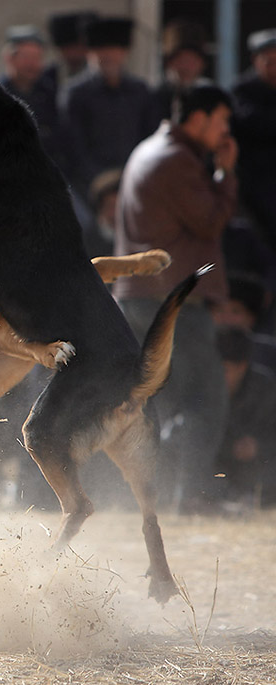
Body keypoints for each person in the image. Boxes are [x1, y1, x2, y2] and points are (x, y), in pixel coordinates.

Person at [113, 84, 239, 513]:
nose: (225, 131)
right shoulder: (177, 160)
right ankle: (191, 496)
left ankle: (166, 496)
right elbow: (209, 222)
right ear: (198, 118)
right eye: (221, 120)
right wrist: (225, 174)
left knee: (169, 402)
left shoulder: (149, 150)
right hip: (170, 300)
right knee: (204, 398)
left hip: (145, 298)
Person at [60, 16, 159, 201]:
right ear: (90, 53)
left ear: (124, 52)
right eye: (101, 50)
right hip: (88, 187)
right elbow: (74, 147)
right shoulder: (75, 93)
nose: (108, 56)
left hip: (136, 180)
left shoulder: (140, 91)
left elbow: (149, 139)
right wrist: (101, 182)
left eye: (114, 49)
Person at [214, 325, 276, 509]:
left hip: (259, 468)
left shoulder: (266, 388)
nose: (217, 376)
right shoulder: (203, 387)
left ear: (242, 366)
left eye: (224, 369)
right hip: (216, 466)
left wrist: (258, 446)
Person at [232, 29, 276, 255]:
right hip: (256, 189)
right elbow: (255, 124)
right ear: (255, 61)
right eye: (269, 62)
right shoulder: (243, 91)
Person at [0, 25, 65, 169]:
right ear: (9, 58)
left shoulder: (50, 93)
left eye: (37, 58)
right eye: (26, 57)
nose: (32, 64)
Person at [155, 19, 209, 121]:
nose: (186, 67)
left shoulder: (209, 97)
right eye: (181, 60)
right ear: (169, 63)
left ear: (201, 64)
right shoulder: (156, 98)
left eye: (192, 61)